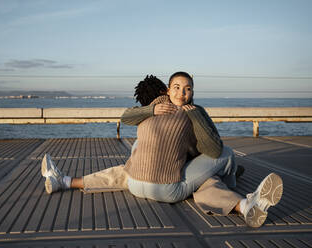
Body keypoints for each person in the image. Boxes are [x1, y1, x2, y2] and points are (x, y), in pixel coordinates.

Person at [41, 72, 283, 228]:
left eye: (186, 89)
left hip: (136, 185)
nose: (182, 93)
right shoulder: (192, 112)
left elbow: (126, 116)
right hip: (168, 190)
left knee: (127, 166)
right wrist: (197, 117)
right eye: (177, 87)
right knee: (222, 160)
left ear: (191, 92)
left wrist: (150, 112)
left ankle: (63, 181)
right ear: (167, 90)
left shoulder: (151, 108)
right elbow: (212, 149)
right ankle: (243, 203)